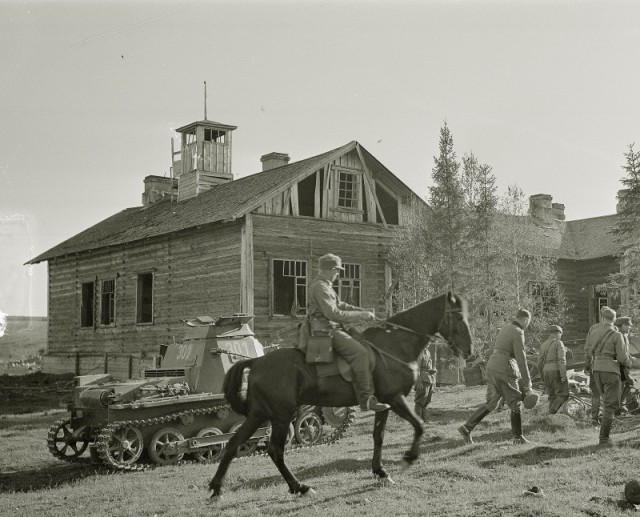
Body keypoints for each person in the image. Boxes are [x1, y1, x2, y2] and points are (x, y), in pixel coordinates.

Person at [301, 253, 390, 413]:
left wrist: (362, 311)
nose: (338, 274)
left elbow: (340, 304)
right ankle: (366, 399)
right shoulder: (320, 287)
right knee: (360, 353)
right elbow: (333, 313)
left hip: (330, 327)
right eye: (337, 270)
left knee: (364, 341)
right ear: (329, 269)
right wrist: (360, 316)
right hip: (325, 330)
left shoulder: (325, 286)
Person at [458, 309, 534, 445]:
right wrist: (528, 383)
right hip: (505, 368)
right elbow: (521, 358)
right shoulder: (518, 331)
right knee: (515, 401)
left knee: (492, 403)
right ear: (525, 319)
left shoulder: (505, 328)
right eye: (528, 322)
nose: (527, 325)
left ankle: (467, 427)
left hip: (492, 367)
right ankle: (518, 438)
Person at [586, 307, 632, 447]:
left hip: (596, 369)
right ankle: (604, 439)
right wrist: (629, 362)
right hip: (610, 371)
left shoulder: (593, 330)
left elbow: (587, 350)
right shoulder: (616, 335)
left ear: (603, 318)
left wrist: (590, 364)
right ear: (614, 319)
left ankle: (603, 432)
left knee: (605, 401)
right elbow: (622, 357)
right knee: (609, 405)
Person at [584, 306, 612, 425]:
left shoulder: (593, 329)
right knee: (608, 392)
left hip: (594, 364)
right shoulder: (613, 328)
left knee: (595, 392)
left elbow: (587, 347)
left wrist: (587, 363)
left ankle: (594, 419)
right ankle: (608, 419)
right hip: (609, 366)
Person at [537, 325, 569, 414]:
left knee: (552, 396)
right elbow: (561, 360)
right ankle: (551, 412)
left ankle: (550, 419)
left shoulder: (543, 345)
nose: (560, 336)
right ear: (558, 333)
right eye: (560, 334)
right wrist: (563, 375)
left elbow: (539, 362)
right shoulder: (558, 343)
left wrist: (542, 375)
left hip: (546, 371)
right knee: (563, 394)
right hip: (556, 371)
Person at [616, 317, 636, 414]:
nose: (630, 327)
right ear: (623, 325)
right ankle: (620, 405)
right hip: (620, 365)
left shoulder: (623, 335)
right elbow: (620, 352)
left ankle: (620, 405)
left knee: (627, 383)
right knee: (629, 382)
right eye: (628, 325)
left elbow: (625, 351)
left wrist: (630, 356)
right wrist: (628, 361)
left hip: (622, 365)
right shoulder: (620, 335)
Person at [414, 346, 436, 421]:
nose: (429, 343)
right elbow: (417, 369)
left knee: (427, 400)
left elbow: (428, 366)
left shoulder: (427, 352)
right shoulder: (420, 352)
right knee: (420, 400)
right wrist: (418, 381)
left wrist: (432, 370)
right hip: (422, 379)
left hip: (429, 378)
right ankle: (417, 420)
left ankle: (424, 419)